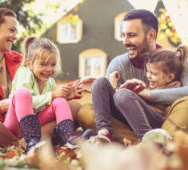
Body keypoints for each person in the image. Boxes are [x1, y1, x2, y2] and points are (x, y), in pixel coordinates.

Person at [77, 9, 188, 143]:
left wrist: (147, 94)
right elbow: (111, 104)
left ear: (151, 36)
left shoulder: (174, 61)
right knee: (93, 98)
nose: (125, 42)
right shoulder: (118, 64)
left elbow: (185, 92)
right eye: (123, 35)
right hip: (127, 120)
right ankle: (107, 134)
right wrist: (113, 89)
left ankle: (157, 140)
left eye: (131, 35)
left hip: (161, 119)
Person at [0, 8, 87, 147]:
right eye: (11, 30)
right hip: (1, 126)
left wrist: (78, 84)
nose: (15, 36)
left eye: (16, 31)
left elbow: (43, 74)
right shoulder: (24, 67)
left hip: (32, 123)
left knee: (73, 107)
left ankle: (29, 144)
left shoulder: (18, 60)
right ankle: (26, 144)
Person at [92, 46, 187, 141]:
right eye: (148, 72)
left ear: (169, 77)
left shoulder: (174, 86)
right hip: (133, 117)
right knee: (100, 82)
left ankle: (147, 139)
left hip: (154, 121)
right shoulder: (149, 86)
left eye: (154, 74)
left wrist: (133, 94)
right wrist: (115, 88)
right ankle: (104, 132)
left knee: (122, 94)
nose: (149, 76)